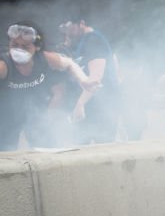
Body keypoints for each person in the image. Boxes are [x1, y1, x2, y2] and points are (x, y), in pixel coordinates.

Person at [0, 22, 96, 150]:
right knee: (5, 154)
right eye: (15, 45)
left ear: (37, 47)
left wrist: (83, 80)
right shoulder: (4, 66)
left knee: (46, 150)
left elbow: (69, 64)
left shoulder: (45, 58)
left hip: (36, 112)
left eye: (25, 46)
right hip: (6, 115)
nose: (19, 50)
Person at [61, 12, 121, 144]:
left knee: (102, 154)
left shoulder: (93, 40)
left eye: (69, 27)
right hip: (96, 106)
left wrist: (80, 104)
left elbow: (96, 77)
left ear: (81, 23)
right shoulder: (85, 41)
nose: (67, 32)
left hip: (100, 108)